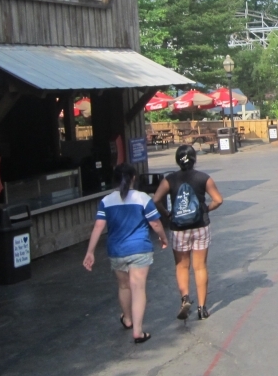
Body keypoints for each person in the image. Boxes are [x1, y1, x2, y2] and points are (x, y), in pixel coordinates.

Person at [83, 163, 169, 344]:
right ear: (133, 178)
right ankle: (138, 331)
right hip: (139, 249)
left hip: (117, 250)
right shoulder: (142, 198)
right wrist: (163, 238)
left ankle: (127, 319)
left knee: (124, 286)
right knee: (138, 288)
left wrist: (90, 252)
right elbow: (155, 223)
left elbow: (99, 226)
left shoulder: (106, 201)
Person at [154, 145, 223, 321]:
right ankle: (202, 307)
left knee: (182, 266)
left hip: (179, 228)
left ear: (177, 160)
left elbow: (156, 200)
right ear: (194, 159)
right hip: (200, 226)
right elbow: (218, 200)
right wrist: (205, 209)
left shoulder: (169, 180)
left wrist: (167, 214)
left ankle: (185, 298)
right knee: (200, 266)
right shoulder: (204, 178)